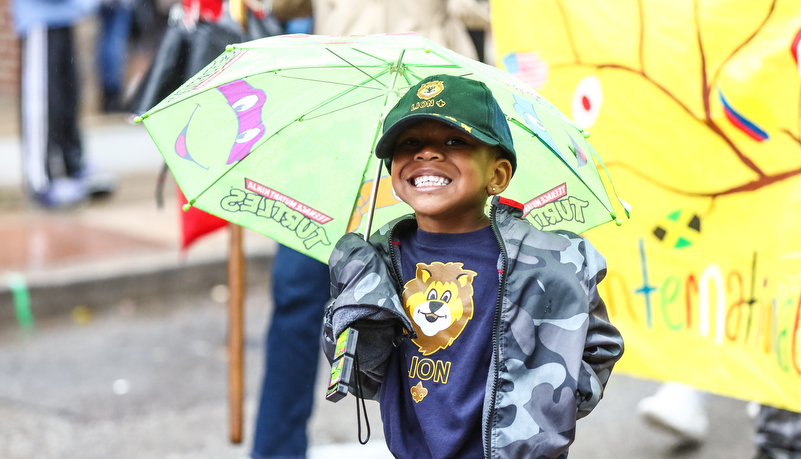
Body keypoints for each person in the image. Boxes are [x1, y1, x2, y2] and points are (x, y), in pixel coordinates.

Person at [323, 74, 625, 458]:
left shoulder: (545, 259)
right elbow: (353, 370)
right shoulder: (375, 260)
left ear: (497, 176)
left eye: (455, 141)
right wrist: (358, 306)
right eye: (410, 143)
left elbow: (599, 346)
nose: (427, 154)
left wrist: (548, 411)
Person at [12, 0, 116, 208]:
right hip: (39, 20)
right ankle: (39, 180)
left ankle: (73, 166)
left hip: (65, 16)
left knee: (67, 99)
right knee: (41, 102)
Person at [96, 0, 135, 112]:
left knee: (106, 40)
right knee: (115, 41)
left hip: (105, 4)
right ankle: (113, 93)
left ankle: (108, 94)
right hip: (119, 4)